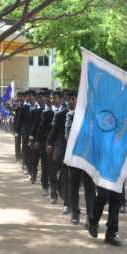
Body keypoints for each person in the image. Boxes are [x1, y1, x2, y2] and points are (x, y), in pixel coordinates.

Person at [65, 92, 96, 225]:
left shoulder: (94, 116)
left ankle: (90, 215)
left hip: (89, 157)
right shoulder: (71, 115)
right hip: (76, 157)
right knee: (74, 185)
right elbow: (67, 135)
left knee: (90, 188)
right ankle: (75, 213)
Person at [47, 91, 70, 214]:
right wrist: (49, 144)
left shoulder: (79, 114)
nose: (52, 100)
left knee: (66, 176)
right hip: (57, 148)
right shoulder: (58, 114)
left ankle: (67, 202)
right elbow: (53, 131)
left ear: (61, 99)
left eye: (54, 98)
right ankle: (54, 193)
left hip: (71, 151)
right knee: (53, 171)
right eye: (51, 98)